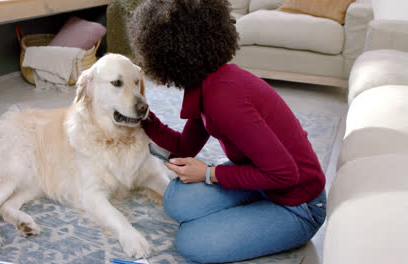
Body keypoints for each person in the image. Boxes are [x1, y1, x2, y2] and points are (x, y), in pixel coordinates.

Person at [128, 0, 326, 263]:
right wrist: (142, 116)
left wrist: (210, 173)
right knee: (176, 201)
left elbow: (284, 174)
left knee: (191, 242)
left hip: (299, 204)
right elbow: (185, 147)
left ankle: (268, 219)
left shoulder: (224, 99)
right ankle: (251, 210)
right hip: (263, 180)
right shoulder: (208, 83)